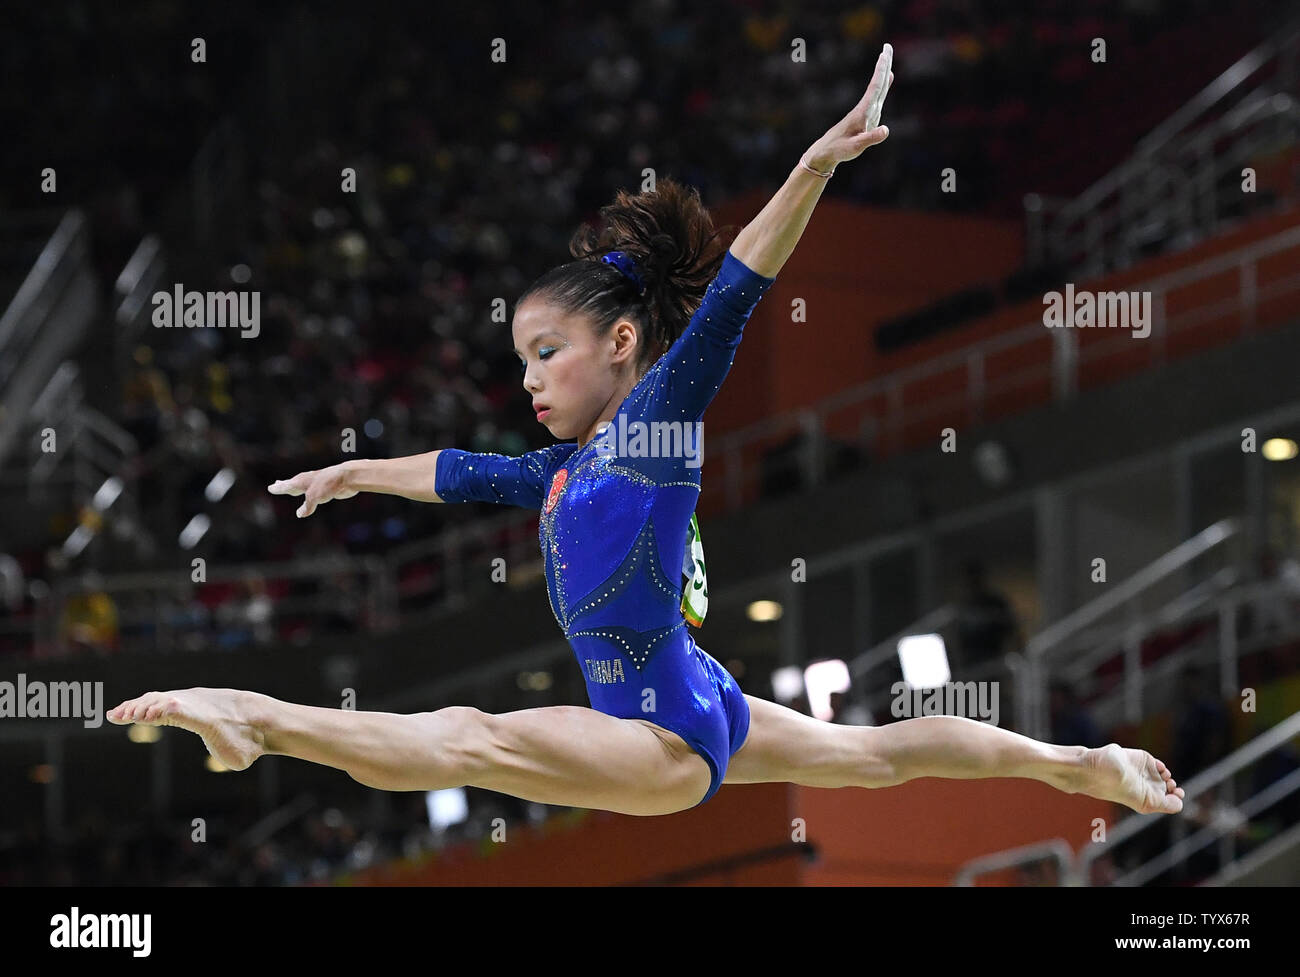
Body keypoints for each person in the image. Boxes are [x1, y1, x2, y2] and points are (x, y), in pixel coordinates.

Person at [108, 46, 1184, 820]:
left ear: (622, 343)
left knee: (471, 737)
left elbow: (737, 289)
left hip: (663, 739)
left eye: (546, 353)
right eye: (520, 358)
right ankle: (1073, 762)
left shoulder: (659, 423)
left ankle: (254, 715)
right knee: (874, 755)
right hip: (696, 693)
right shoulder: (564, 470)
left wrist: (814, 166)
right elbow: (461, 470)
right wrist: (358, 472)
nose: (528, 378)